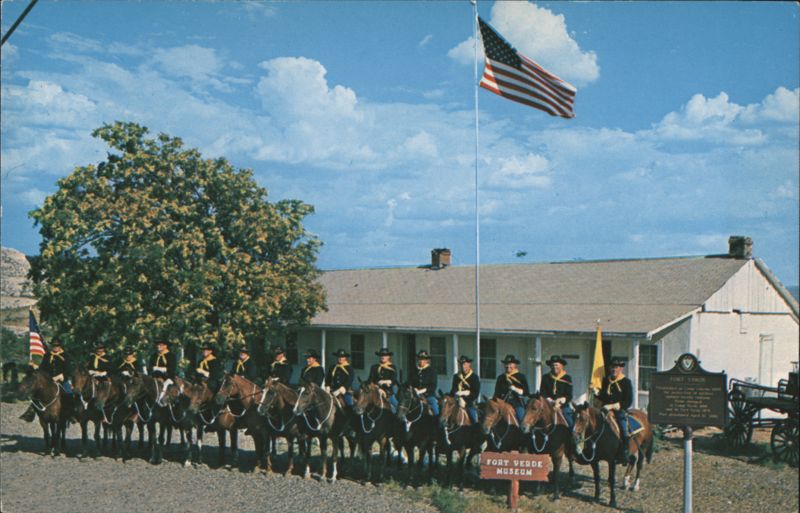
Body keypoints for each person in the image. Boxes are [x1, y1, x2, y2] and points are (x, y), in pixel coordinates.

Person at [20, 339, 72, 422]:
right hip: (49, 380)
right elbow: (42, 368)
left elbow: (69, 369)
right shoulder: (47, 355)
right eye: (54, 345)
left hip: (62, 379)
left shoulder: (66, 355)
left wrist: (61, 376)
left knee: (69, 393)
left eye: (57, 345)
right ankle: (31, 411)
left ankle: (70, 413)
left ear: (60, 346)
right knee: (36, 392)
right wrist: (33, 366)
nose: (55, 347)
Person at [597, 357, 634, 461]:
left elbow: (628, 401)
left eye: (616, 367)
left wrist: (614, 406)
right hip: (605, 409)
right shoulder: (606, 381)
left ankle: (625, 452)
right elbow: (603, 397)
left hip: (619, 410)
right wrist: (596, 393)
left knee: (623, 428)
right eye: (612, 367)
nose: (614, 369)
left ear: (621, 368)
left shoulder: (626, 382)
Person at [540, 355, 574, 428]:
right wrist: (550, 400)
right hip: (548, 404)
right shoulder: (545, 377)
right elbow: (542, 392)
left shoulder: (567, 378)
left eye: (556, 365)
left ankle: (572, 434)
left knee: (570, 422)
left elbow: (569, 395)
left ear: (561, 366)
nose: (554, 367)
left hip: (562, 405)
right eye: (552, 365)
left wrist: (561, 401)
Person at [493, 354, 529, 423]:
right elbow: (496, 393)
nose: (508, 366)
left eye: (510, 364)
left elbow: (526, 392)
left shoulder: (521, 377)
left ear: (515, 365)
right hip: (503, 403)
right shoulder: (501, 377)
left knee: (522, 419)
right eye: (506, 364)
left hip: (516, 404)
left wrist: (515, 389)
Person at [449, 355, 480, 423]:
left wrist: (465, 400)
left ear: (469, 364)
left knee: (473, 417)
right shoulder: (456, 376)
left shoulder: (474, 377)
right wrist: (456, 394)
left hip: (469, 402)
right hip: (456, 400)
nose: (463, 366)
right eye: (461, 364)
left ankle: (475, 426)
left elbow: (475, 393)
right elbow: (453, 390)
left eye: (465, 364)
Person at [367, 348, 398, 412]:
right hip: (376, 391)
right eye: (381, 355)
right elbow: (370, 380)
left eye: (385, 355)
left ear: (388, 357)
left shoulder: (392, 367)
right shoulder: (374, 367)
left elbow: (394, 380)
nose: (383, 357)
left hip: (388, 392)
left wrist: (385, 381)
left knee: (397, 406)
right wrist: (378, 388)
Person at [409, 350, 439, 416]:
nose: (421, 361)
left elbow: (433, 386)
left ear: (427, 360)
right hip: (415, 395)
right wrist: (414, 389)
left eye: (423, 359)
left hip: (428, 395)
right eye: (420, 359)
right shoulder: (414, 370)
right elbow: (410, 382)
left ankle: (437, 421)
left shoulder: (432, 371)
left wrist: (422, 390)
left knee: (435, 409)